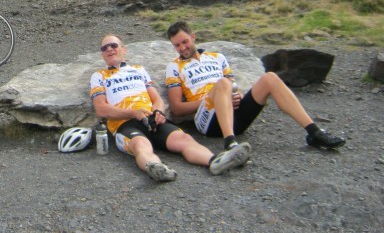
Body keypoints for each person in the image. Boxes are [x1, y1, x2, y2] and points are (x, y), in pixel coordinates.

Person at [164, 20, 346, 153]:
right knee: (222, 84)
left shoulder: (217, 57)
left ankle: (314, 132)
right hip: (209, 122)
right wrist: (217, 97)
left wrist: (236, 96)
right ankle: (230, 143)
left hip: (236, 116)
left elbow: (234, 88)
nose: (182, 48)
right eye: (177, 45)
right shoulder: (174, 66)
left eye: (185, 42)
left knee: (270, 78)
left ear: (193, 37)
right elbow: (177, 108)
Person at [90, 34, 250, 182]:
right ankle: (156, 168)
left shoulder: (138, 69)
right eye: (104, 48)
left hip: (152, 118)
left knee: (184, 139)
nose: (109, 49)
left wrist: (159, 111)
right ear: (102, 54)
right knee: (140, 145)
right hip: (124, 124)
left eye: (113, 45)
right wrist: (132, 113)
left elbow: (157, 98)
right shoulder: (99, 76)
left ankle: (216, 161)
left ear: (123, 50)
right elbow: (101, 109)